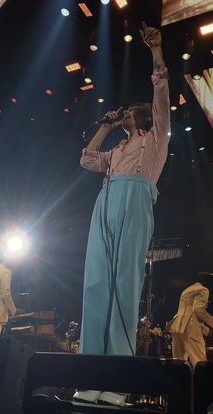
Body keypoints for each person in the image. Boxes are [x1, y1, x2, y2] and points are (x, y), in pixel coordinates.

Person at [74, 22, 170, 405]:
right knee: (96, 283)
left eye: (130, 112)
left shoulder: (156, 138)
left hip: (135, 200)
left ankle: (116, 379)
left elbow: (161, 87)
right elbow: (84, 160)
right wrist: (103, 127)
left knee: (123, 285)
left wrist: (156, 50)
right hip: (106, 201)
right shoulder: (115, 151)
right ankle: (90, 376)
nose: (125, 114)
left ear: (144, 116)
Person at [167, 272, 213, 368]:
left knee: (178, 363)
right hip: (191, 328)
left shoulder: (187, 290)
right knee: (200, 363)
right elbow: (198, 311)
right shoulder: (204, 290)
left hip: (177, 326)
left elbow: (188, 312)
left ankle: (178, 382)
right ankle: (202, 383)